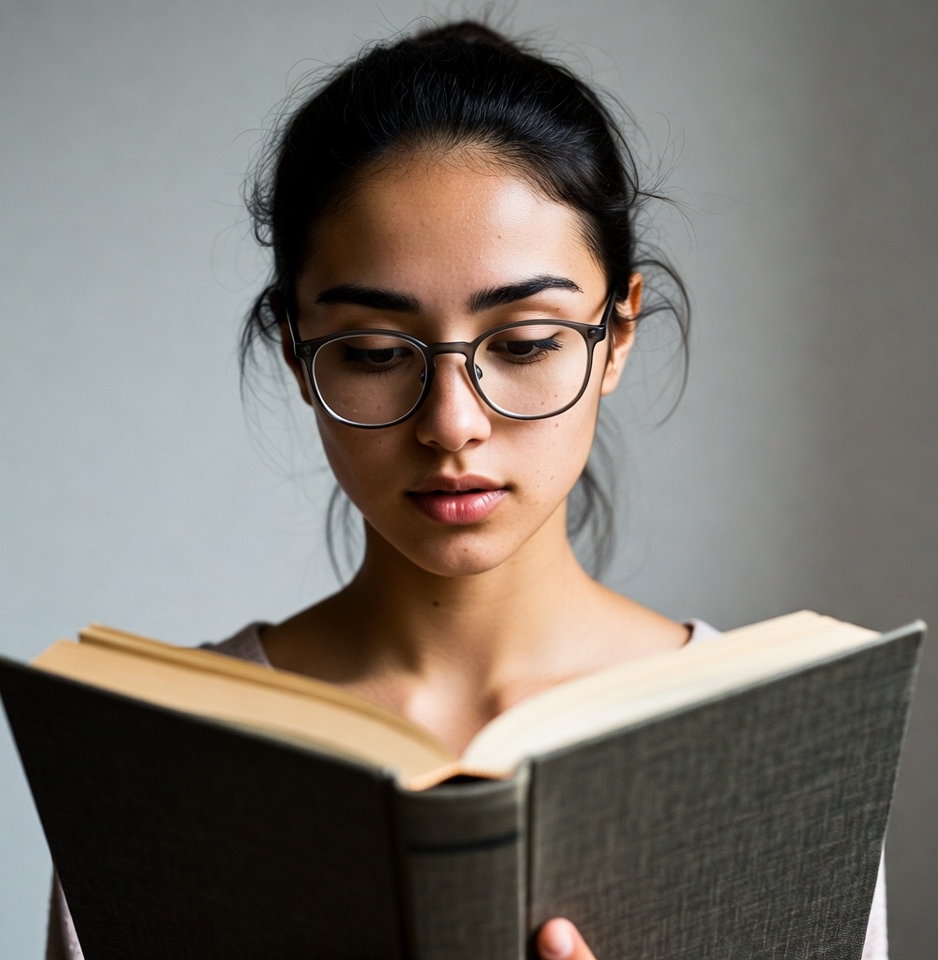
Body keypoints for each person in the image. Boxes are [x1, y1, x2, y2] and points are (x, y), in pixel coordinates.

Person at [46, 19, 888, 960]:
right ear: (294, 347)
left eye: (525, 344)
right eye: (371, 352)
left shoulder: (797, 744)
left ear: (617, 334)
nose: (451, 423)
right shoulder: (149, 759)